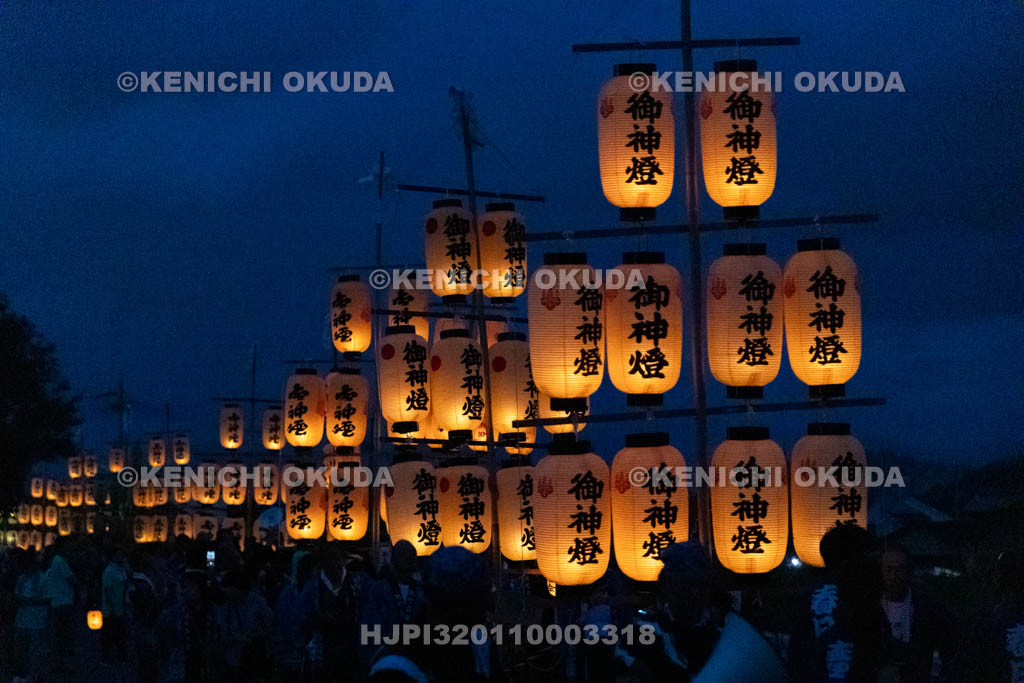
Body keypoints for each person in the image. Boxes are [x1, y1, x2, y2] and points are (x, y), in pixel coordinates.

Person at [790, 524, 890, 682]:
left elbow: (797, 658)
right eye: (869, 555)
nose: (876, 563)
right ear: (854, 557)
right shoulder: (858, 595)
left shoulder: (807, 599)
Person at [613, 542, 725, 681]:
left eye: (697, 585)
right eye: (682, 585)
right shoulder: (640, 634)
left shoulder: (723, 635)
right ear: (666, 586)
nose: (692, 594)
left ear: (707, 589)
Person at [877, 544, 955, 681]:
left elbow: (947, 649)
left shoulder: (928, 607)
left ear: (909, 572)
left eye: (899, 570)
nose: (893, 576)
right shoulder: (869, 607)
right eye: (888, 570)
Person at [211, 569, 273, 682]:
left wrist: (253, 637)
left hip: (253, 659)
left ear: (237, 588)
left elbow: (270, 627)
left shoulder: (258, 603)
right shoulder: (225, 608)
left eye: (228, 589)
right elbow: (221, 636)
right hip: (232, 661)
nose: (226, 592)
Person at [13, 549, 49, 681]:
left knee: (35, 651)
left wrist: (31, 601)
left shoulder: (43, 578)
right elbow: (16, 595)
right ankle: (22, 674)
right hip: (21, 620)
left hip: (36, 621)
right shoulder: (22, 578)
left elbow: (48, 599)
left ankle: (34, 675)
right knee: (21, 649)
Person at [44, 538, 77, 677]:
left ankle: (58, 663)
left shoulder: (54, 562)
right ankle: (62, 664)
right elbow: (72, 580)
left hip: (57, 602)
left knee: (58, 634)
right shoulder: (60, 561)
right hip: (63, 602)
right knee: (63, 635)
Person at [101, 545, 133, 666]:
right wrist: (110, 607)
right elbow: (107, 589)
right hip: (112, 608)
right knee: (109, 633)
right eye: (118, 555)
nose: (121, 557)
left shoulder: (122, 569)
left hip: (120, 606)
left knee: (119, 632)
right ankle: (107, 657)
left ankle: (120, 655)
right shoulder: (109, 571)